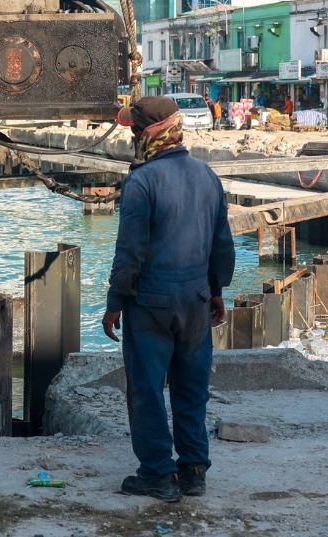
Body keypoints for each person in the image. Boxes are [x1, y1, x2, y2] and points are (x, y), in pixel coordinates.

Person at [104, 96, 235, 503]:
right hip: (196, 297)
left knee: (146, 389)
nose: (131, 137)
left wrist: (115, 301)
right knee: (191, 388)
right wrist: (216, 291)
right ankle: (193, 471)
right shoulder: (207, 176)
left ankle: (158, 474)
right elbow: (222, 244)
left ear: (148, 134)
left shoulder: (141, 182)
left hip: (151, 301)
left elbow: (130, 252)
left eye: (134, 130)